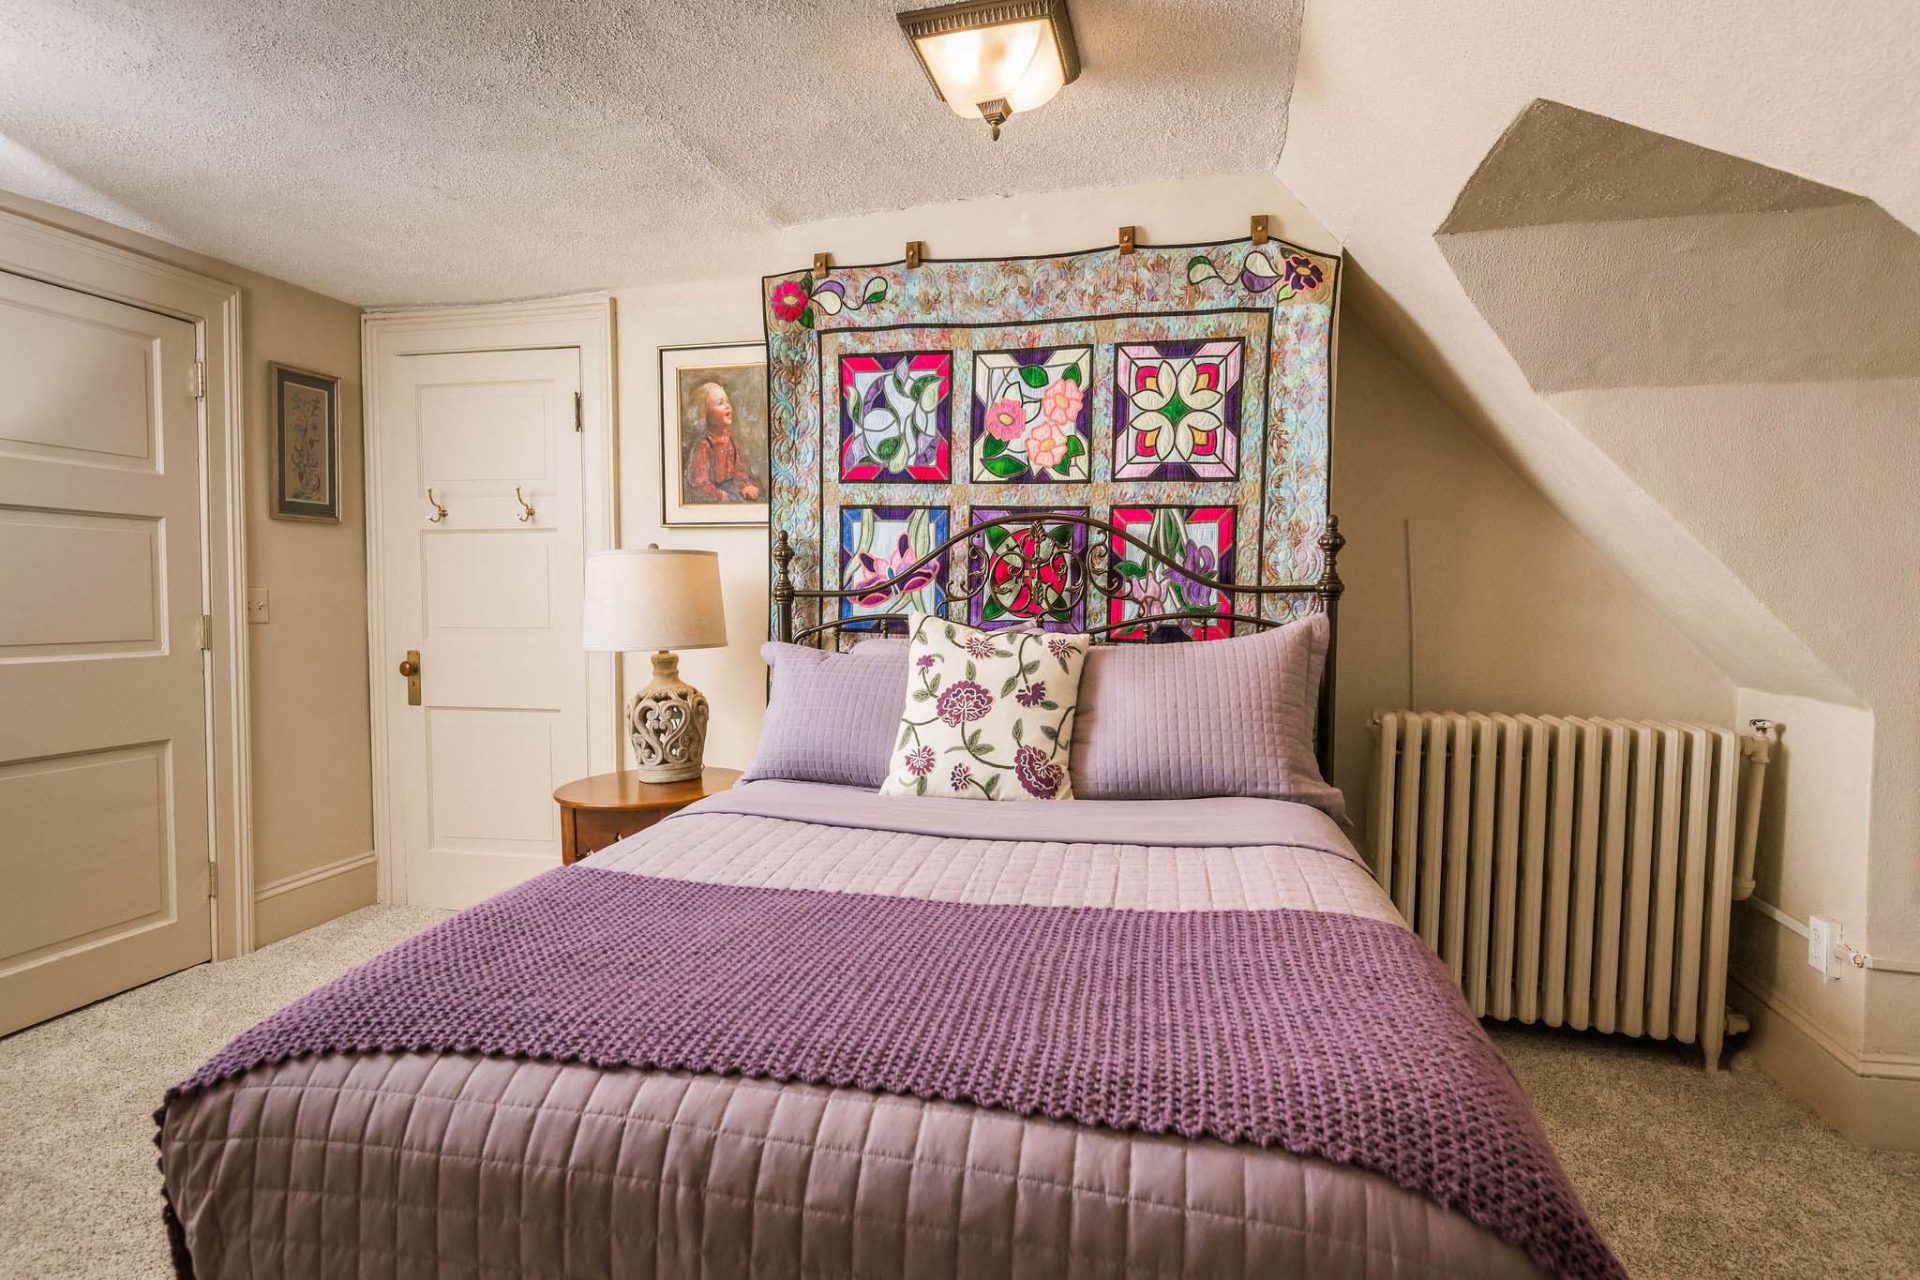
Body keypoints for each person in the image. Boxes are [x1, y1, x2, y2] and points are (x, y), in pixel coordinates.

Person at [683, 382, 761, 503]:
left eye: (727, 401)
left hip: (731, 490)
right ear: (704, 413)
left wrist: (745, 486)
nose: (727, 406)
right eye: (720, 403)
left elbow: (738, 471)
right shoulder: (703, 446)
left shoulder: (729, 442)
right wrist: (718, 495)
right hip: (713, 496)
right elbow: (699, 483)